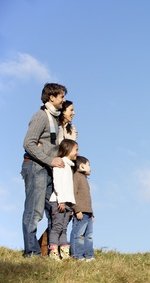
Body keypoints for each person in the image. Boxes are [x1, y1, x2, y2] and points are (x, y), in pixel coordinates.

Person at [21, 83, 67, 257]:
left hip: (48, 169)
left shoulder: (55, 118)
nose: (63, 99)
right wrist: (50, 159)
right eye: (61, 96)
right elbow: (28, 142)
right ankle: (31, 252)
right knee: (34, 211)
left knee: (54, 210)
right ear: (51, 97)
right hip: (35, 167)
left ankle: (49, 250)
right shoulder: (41, 116)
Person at [48, 139, 78, 260]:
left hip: (67, 203)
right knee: (57, 227)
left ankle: (64, 252)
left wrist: (71, 204)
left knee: (64, 228)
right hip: (58, 201)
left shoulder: (69, 167)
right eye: (76, 149)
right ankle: (53, 252)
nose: (77, 152)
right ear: (68, 149)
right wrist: (60, 200)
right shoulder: (61, 164)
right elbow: (58, 183)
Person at [71, 155, 95, 261]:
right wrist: (77, 210)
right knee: (79, 234)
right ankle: (78, 255)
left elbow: (87, 199)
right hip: (80, 211)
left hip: (88, 212)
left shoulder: (85, 179)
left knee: (89, 235)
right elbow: (73, 194)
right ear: (81, 166)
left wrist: (92, 213)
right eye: (88, 165)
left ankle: (89, 255)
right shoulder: (76, 176)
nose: (90, 167)